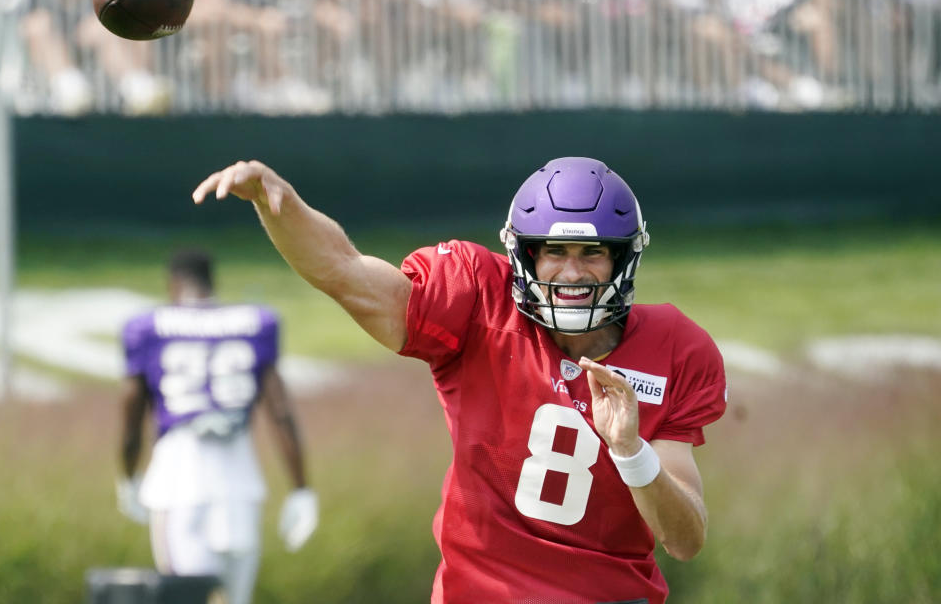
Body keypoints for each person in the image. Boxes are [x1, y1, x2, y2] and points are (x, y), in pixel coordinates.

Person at [192, 156, 727, 604]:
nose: (571, 272)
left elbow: (684, 540)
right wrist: (278, 204)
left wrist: (633, 453)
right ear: (525, 255)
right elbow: (345, 272)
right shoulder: (476, 298)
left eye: (592, 253)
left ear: (622, 259)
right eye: (554, 252)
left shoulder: (675, 347)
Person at [116, 249, 318, 604]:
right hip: (240, 481)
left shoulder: (149, 327)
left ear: (172, 284)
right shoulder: (254, 322)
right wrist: (301, 488)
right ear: (213, 283)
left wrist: (128, 475)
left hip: (180, 480)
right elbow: (281, 412)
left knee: (187, 598)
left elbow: (131, 415)